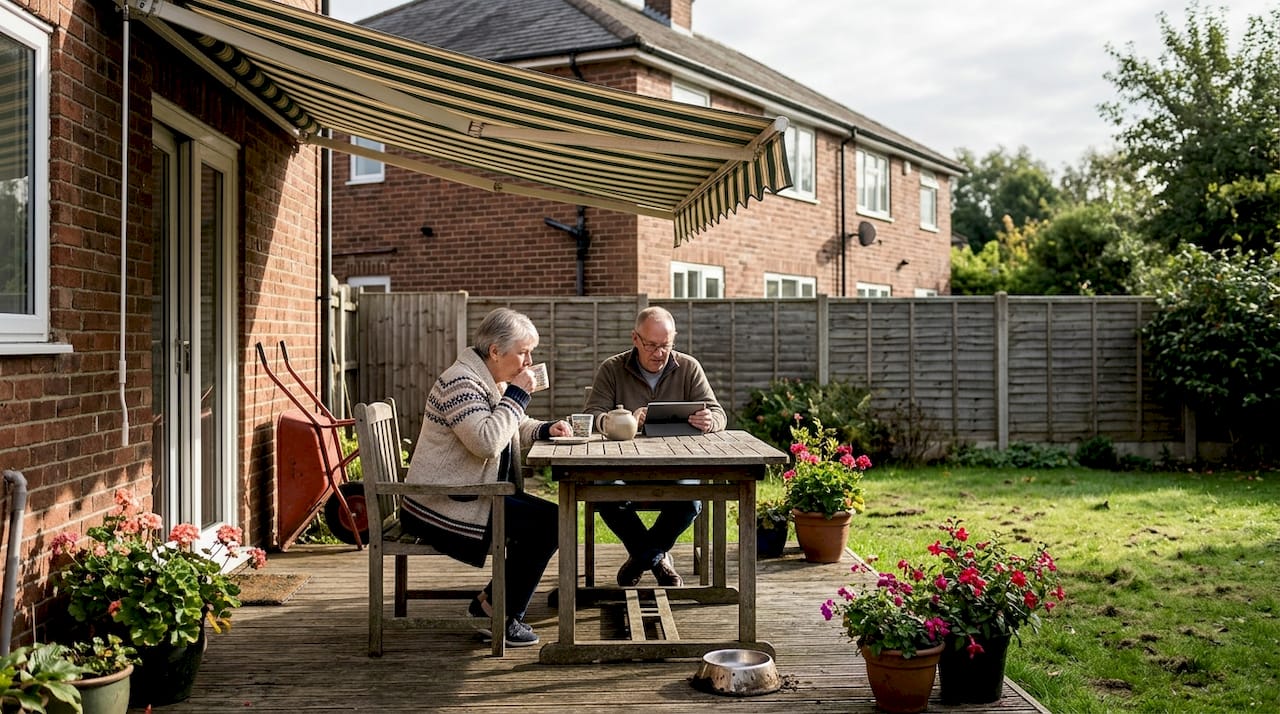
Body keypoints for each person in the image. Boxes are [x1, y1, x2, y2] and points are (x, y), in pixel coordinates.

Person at [400, 308, 571, 647]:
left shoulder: (484, 379)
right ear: (495, 351)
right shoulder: (460, 383)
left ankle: (491, 604)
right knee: (551, 523)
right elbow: (487, 441)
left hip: (471, 493)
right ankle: (500, 614)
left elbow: (506, 423)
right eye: (523, 352)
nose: (529, 361)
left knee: (550, 519)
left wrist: (543, 429)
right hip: (442, 504)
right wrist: (518, 395)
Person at [584, 306, 726, 587]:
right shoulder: (612, 369)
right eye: (651, 345)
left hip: (677, 468)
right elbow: (592, 417)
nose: (659, 354)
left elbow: (719, 414)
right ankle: (658, 559)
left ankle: (642, 558)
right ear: (635, 339)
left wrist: (710, 421)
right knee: (601, 494)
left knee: (691, 499)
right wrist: (622, 422)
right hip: (623, 469)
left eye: (666, 346)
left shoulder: (688, 367)